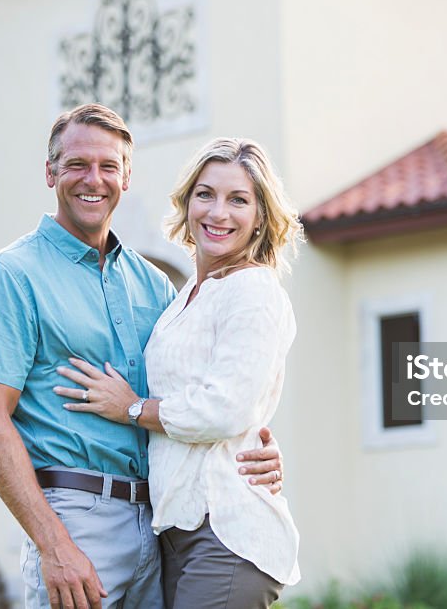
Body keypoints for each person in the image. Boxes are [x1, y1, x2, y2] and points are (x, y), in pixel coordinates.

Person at [0, 104, 284, 609]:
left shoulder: (155, 286)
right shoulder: (10, 277)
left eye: (109, 167)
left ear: (126, 177)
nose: (94, 179)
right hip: (77, 521)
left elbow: (206, 390)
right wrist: (55, 545)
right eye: (77, 165)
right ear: (50, 172)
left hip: (159, 526)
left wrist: (249, 443)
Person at [52, 137, 302, 608]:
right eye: (205, 194)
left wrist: (129, 407)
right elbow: (211, 400)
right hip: (175, 531)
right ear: (187, 203)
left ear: (261, 218)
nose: (218, 212)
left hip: (225, 532)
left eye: (238, 200)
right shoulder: (184, 297)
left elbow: (225, 408)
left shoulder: (254, 291)